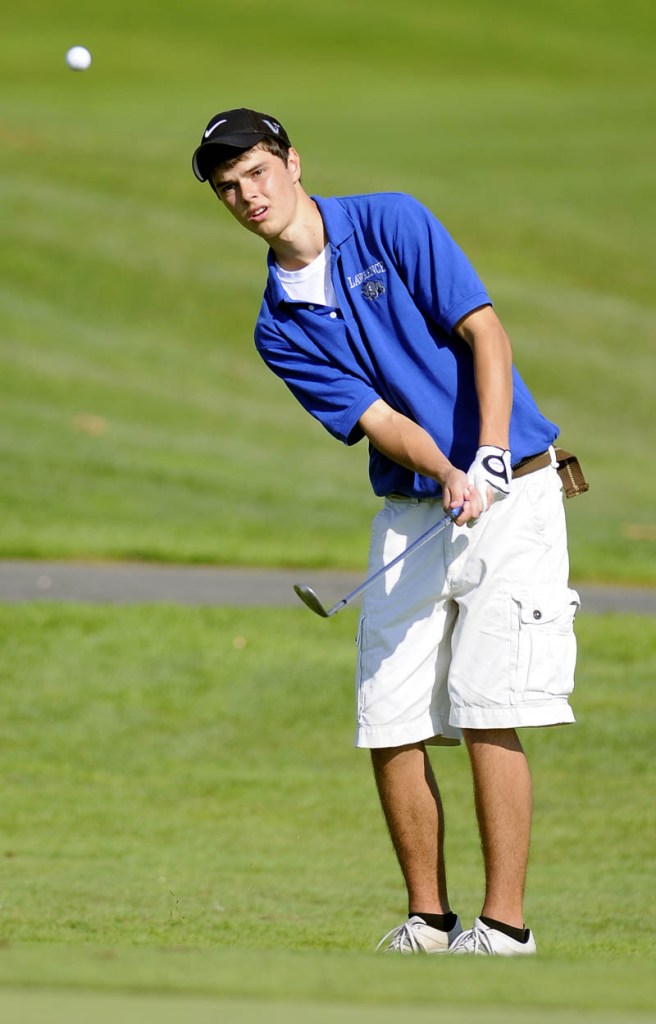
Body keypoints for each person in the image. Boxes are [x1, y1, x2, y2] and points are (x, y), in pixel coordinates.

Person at [192, 108, 588, 956]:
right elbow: (376, 417)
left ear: (293, 163)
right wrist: (445, 473)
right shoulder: (278, 325)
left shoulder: (390, 220)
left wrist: (482, 453)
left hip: (514, 490)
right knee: (390, 715)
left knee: (491, 706)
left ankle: (505, 929)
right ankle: (428, 921)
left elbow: (485, 332)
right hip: (416, 508)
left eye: (256, 171)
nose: (246, 194)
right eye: (228, 187)